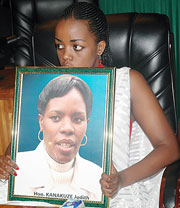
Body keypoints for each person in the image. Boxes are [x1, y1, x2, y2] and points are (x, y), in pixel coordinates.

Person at [0, 2, 180, 207]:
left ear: (100, 47)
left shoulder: (126, 82)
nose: (65, 56)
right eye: (60, 45)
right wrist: (5, 162)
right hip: (46, 194)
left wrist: (121, 179)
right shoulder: (46, 82)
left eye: (76, 47)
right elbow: (19, 145)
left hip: (107, 195)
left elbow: (169, 148)